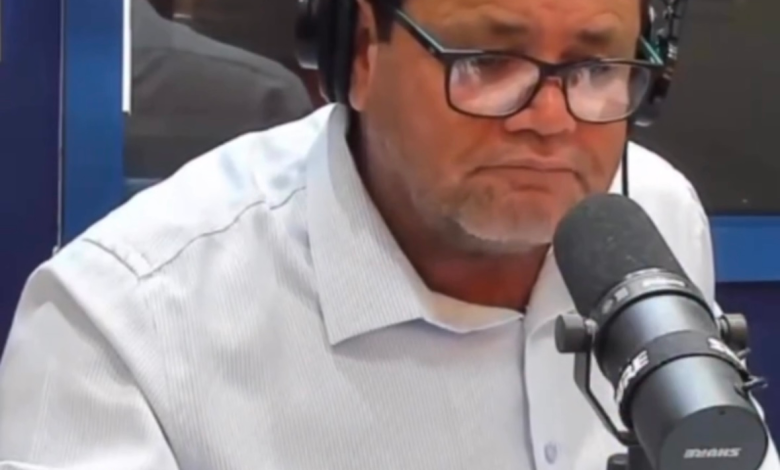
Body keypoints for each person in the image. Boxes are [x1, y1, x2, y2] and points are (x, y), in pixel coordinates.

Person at [0, 0, 777, 469]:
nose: (550, 120)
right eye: (488, 61)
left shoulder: (653, 215)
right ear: (360, 53)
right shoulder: (123, 321)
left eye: (598, 68)